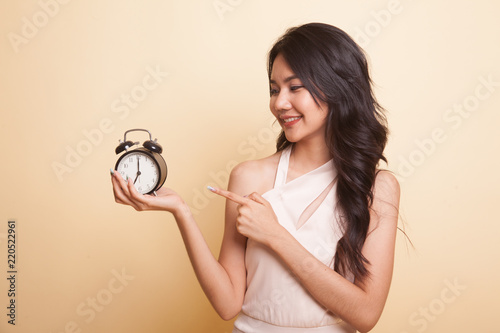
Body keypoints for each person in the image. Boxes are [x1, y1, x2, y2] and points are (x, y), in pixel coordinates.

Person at [111, 22, 400, 333]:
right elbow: (228, 304)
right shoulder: (250, 177)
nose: (279, 103)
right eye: (274, 89)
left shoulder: (377, 188)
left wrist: (275, 235)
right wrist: (181, 211)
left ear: (336, 87)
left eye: (295, 87)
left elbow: (366, 315)